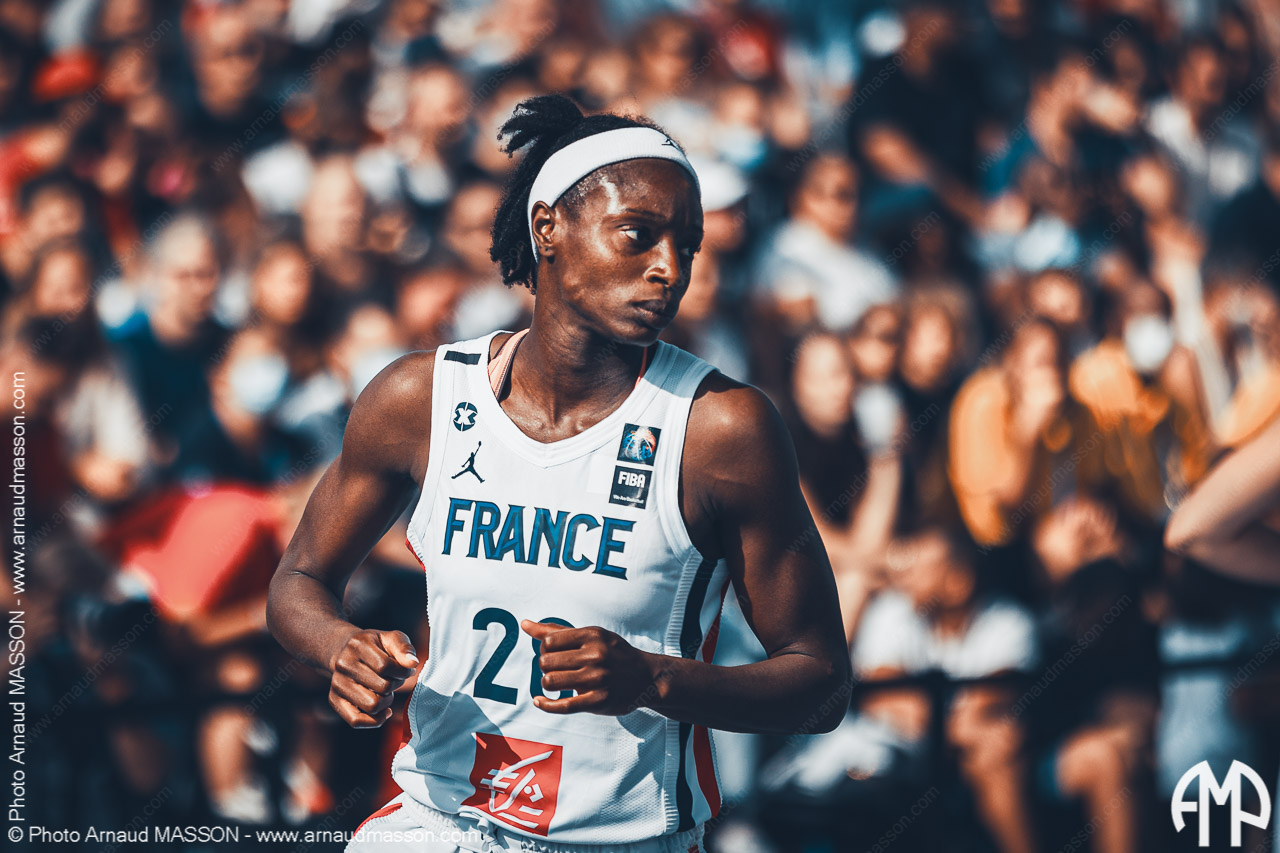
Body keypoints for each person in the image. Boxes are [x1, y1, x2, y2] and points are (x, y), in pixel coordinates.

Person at [266, 95, 852, 852]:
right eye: (638, 235)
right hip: (439, 822)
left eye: (688, 246)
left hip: (622, 840)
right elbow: (297, 581)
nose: (670, 268)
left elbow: (820, 682)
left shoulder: (722, 429)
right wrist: (340, 646)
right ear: (548, 227)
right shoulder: (420, 397)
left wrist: (654, 680)